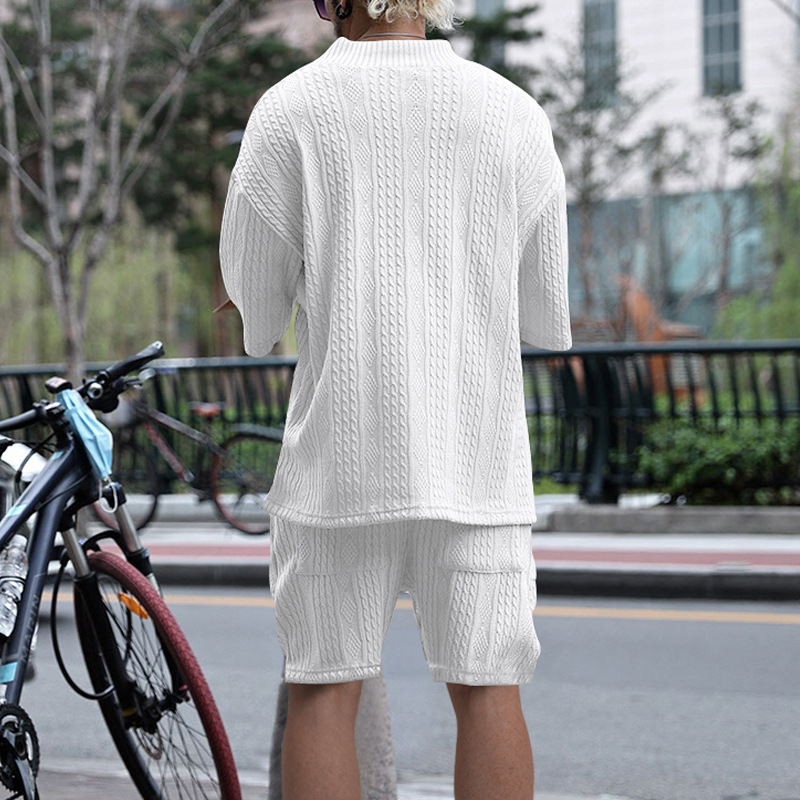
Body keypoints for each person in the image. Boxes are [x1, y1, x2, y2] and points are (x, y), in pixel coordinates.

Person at [218, 0, 571, 797]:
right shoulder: (512, 112)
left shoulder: (289, 110)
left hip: (339, 463)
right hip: (474, 458)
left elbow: (258, 318)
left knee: (323, 688)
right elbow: (547, 310)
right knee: (489, 689)